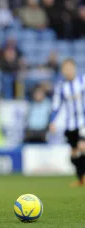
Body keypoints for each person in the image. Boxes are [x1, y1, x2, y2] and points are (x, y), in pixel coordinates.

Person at [49, 59, 85, 187]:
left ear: (74, 68)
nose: (68, 71)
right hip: (70, 125)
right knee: (74, 154)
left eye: (70, 68)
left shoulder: (83, 81)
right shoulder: (61, 86)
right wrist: (52, 121)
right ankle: (81, 179)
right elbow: (56, 105)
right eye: (65, 69)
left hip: (83, 122)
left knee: (82, 146)